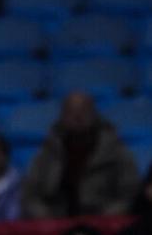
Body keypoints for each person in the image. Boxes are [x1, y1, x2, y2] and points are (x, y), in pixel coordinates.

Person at [21, 92, 142, 220]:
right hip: (56, 222)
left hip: (104, 222)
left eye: (83, 111)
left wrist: (106, 217)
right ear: (62, 116)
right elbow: (30, 196)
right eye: (71, 111)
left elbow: (130, 194)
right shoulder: (46, 154)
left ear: (94, 114)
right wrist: (46, 216)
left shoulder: (117, 152)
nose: (77, 116)